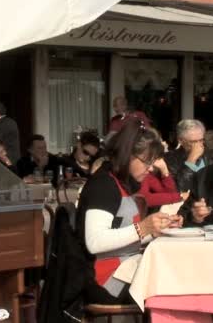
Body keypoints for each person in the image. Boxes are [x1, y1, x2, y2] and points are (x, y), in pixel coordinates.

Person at [76, 120, 182, 304]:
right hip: (105, 280)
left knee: (178, 274)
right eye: (147, 162)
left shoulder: (119, 182)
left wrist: (155, 230)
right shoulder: (103, 185)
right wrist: (143, 227)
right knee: (175, 285)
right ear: (128, 155)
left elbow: (123, 235)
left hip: (119, 270)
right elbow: (95, 242)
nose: (150, 169)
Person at [164, 119, 208, 192]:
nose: (199, 145)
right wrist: (190, 161)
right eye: (194, 142)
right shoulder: (169, 159)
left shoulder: (210, 156)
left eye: (201, 140)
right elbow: (179, 189)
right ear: (180, 141)